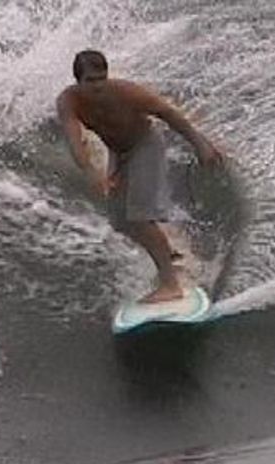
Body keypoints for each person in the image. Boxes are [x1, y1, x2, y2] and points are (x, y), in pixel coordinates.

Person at [56, 49, 223, 304]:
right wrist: (93, 173)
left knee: (140, 217)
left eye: (102, 78)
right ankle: (169, 253)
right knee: (120, 221)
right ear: (78, 81)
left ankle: (170, 285)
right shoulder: (68, 101)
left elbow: (168, 113)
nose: (98, 86)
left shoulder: (126, 92)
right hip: (118, 152)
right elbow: (74, 142)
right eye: (91, 81)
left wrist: (200, 144)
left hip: (145, 145)